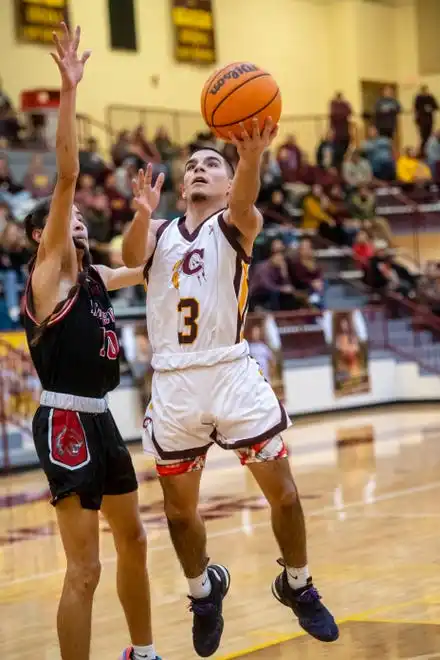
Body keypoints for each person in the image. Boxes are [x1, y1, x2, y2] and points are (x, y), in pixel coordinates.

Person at [122, 117, 339, 657]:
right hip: (174, 381)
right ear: (181, 184)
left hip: (231, 372)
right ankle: (203, 591)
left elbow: (245, 198)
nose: (198, 169)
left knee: (285, 496)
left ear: (225, 184)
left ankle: (297, 582)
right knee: (178, 512)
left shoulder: (238, 222)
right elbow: (129, 259)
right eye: (191, 165)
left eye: (209, 164)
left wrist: (249, 156)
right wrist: (142, 213)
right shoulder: (158, 232)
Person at [21, 23, 163, 660]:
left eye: (80, 217)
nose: (77, 218)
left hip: (103, 418)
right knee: (84, 570)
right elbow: (69, 173)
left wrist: (146, 216)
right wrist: (69, 92)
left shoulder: (99, 277)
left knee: (133, 541)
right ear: (43, 236)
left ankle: (144, 651)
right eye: (67, 216)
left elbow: (152, 265)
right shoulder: (49, 273)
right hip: (65, 420)